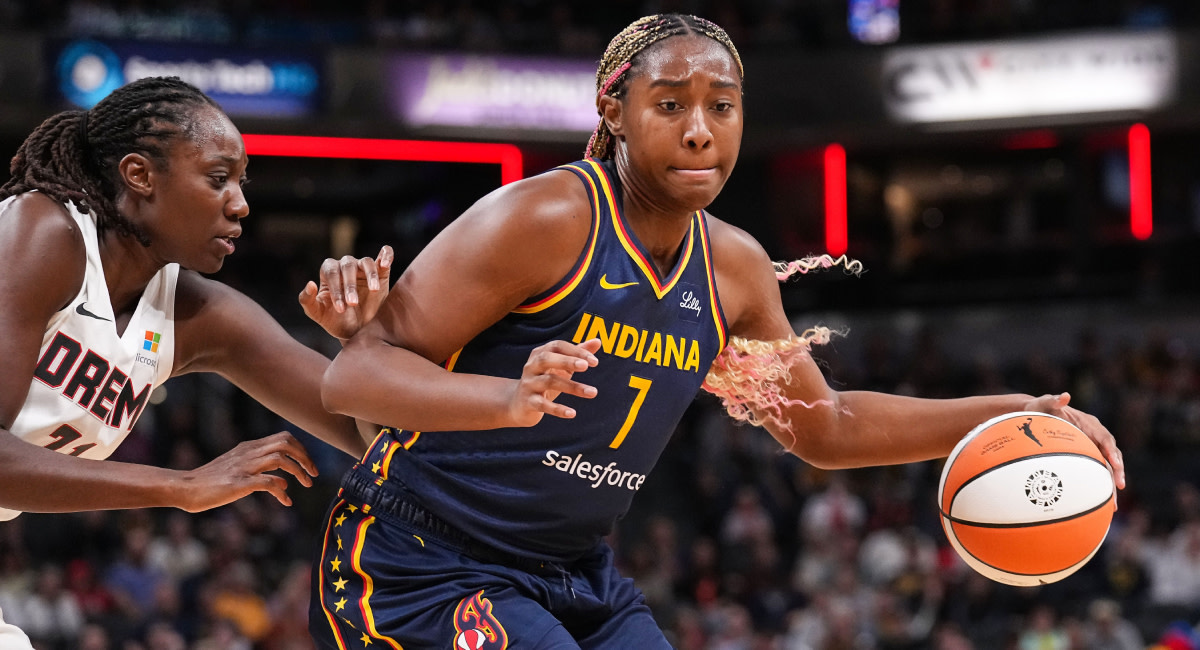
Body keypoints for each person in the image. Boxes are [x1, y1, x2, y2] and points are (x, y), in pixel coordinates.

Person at [312, 14, 1126, 648]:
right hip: (422, 560)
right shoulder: (546, 216)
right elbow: (353, 377)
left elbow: (826, 427)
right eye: (670, 106)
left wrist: (1014, 414)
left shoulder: (733, 267)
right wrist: (505, 397)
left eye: (722, 107)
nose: (700, 129)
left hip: (575, 572)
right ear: (615, 112)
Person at [0, 75, 390, 648]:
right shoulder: (42, 232)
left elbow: (378, 442)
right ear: (140, 176)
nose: (241, 203)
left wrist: (361, 347)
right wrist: (184, 485)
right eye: (217, 178)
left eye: (242, 181)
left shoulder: (201, 313)